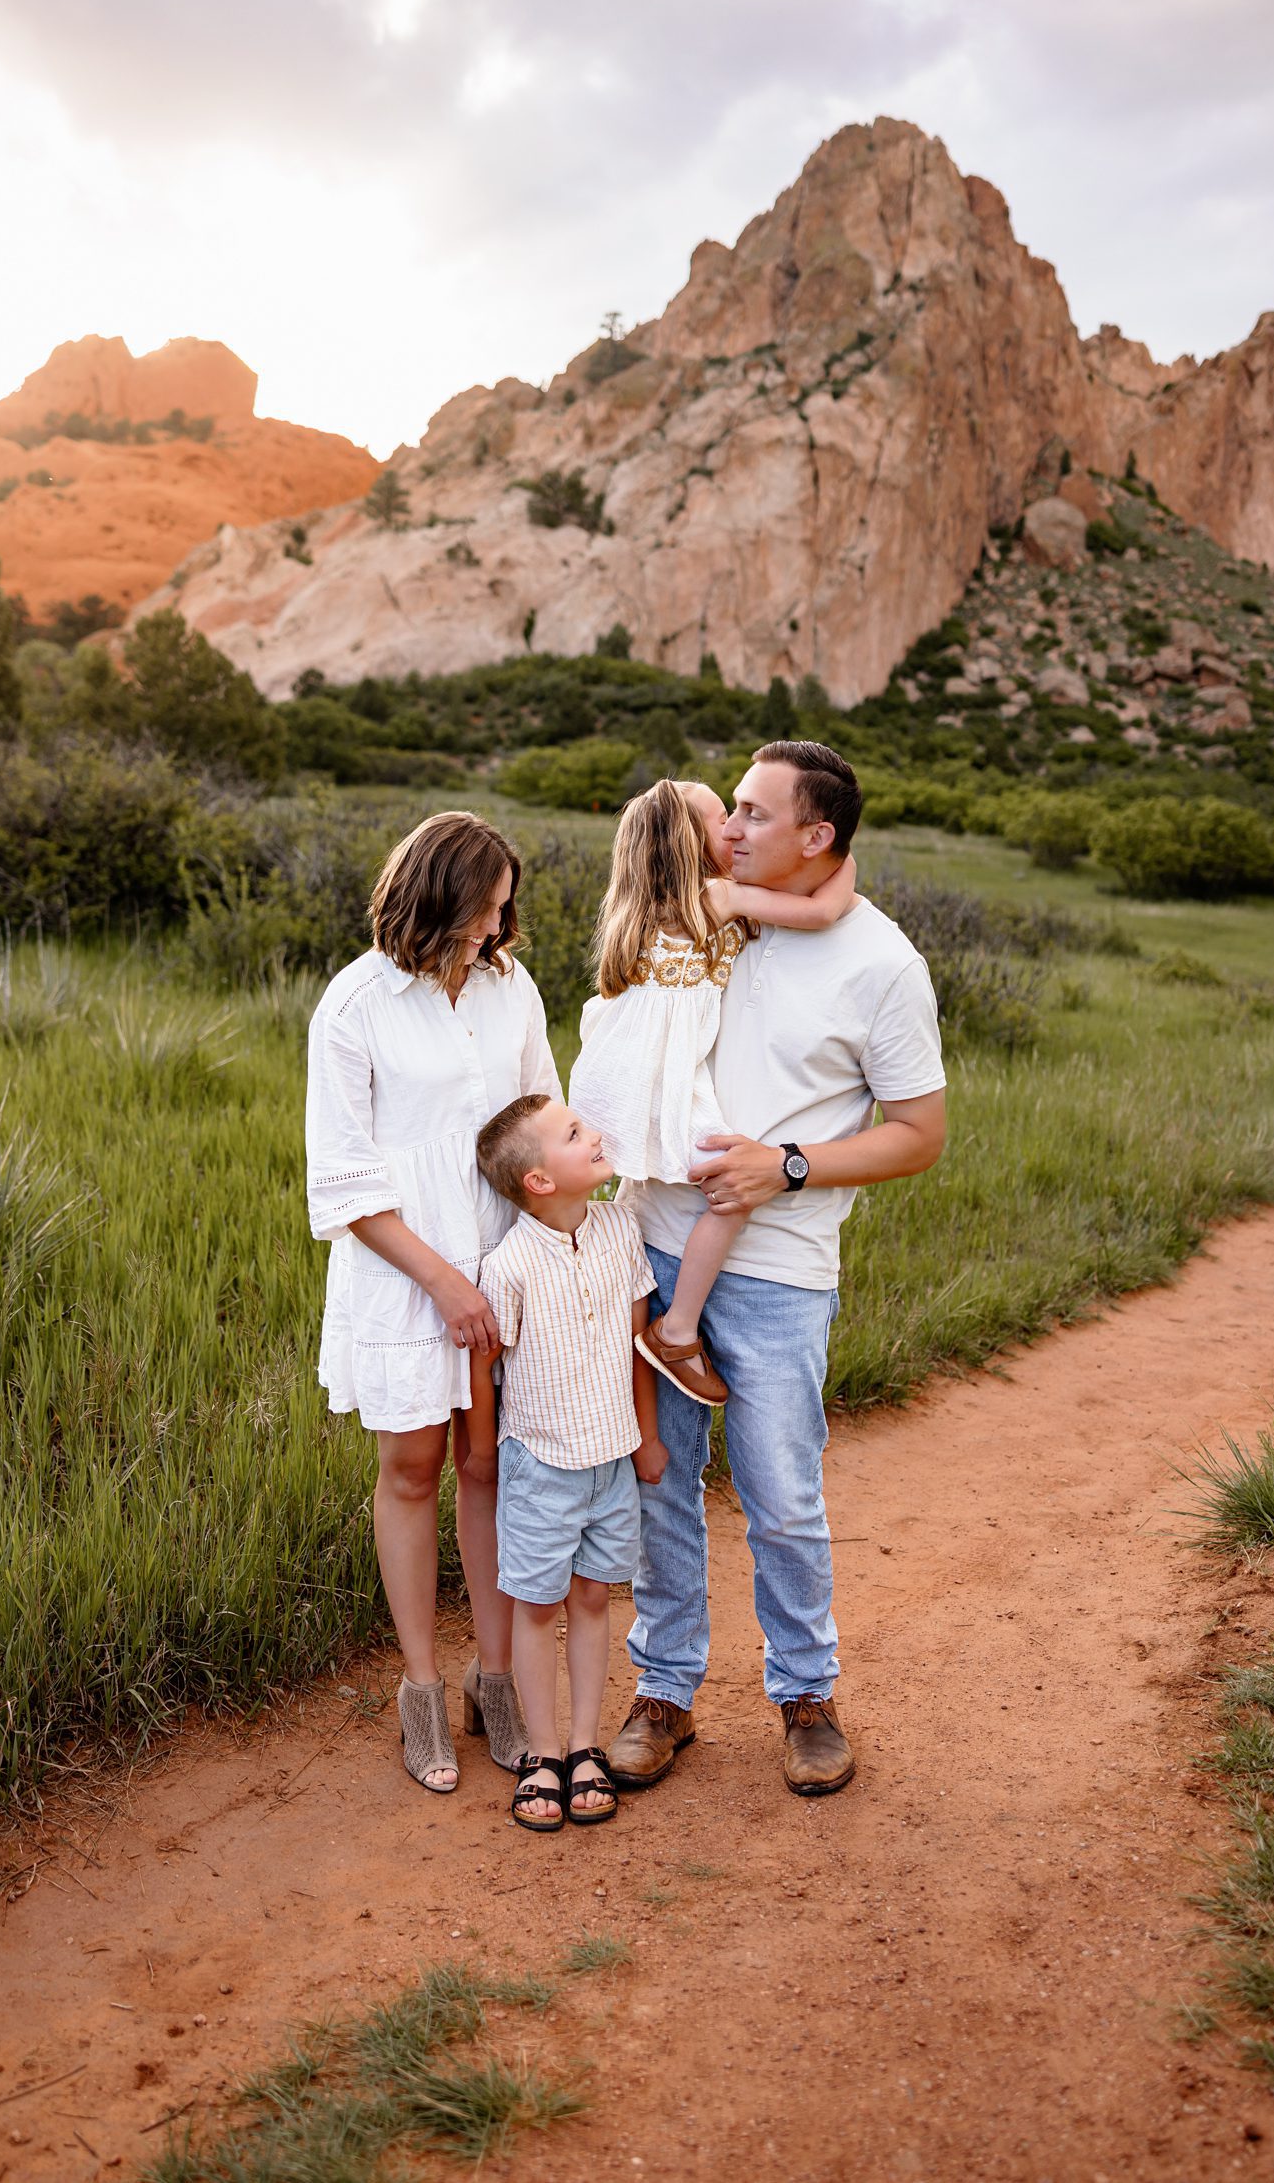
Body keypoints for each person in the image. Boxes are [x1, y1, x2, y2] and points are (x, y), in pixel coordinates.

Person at [610, 741, 947, 1797]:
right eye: (731, 810)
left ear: (820, 837)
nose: (733, 829)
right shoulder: (715, 912)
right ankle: (664, 1688)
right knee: (658, 1485)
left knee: (781, 1496)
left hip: (781, 1270)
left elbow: (919, 1133)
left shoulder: (881, 963)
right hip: (651, 1244)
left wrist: (788, 1165)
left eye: (756, 813)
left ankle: (806, 1693)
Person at [305, 810, 558, 1792]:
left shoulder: (510, 985)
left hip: (501, 1258)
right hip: (405, 1268)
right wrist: (444, 1282)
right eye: (485, 906)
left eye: (503, 909)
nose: (497, 926)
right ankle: (418, 1688)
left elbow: (539, 1115)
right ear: (438, 892)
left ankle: (493, 1677)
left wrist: (543, 1254)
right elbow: (343, 1179)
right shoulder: (355, 1003)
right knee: (412, 1467)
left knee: (489, 1466)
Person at [568, 778, 856, 1404]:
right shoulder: (720, 895)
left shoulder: (634, 910)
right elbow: (823, 910)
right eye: (721, 818)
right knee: (731, 1186)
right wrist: (843, 857)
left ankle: (595, 1314)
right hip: (659, 1074)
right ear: (688, 843)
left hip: (616, 1072)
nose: (732, 830)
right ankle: (674, 1332)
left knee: (618, 1192)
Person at [465, 1093, 668, 1832]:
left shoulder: (620, 1229)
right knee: (538, 1605)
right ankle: (541, 1753)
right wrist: (484, 1453)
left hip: (611, 1459)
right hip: (540, 1465)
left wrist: (646, 1437)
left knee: (592, 1600)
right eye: (576, 1132)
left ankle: (585, 1745)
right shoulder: (510, 1263)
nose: (595, 1134)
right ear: (540, 1181)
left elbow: (638, 1346)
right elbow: (489, 1367)